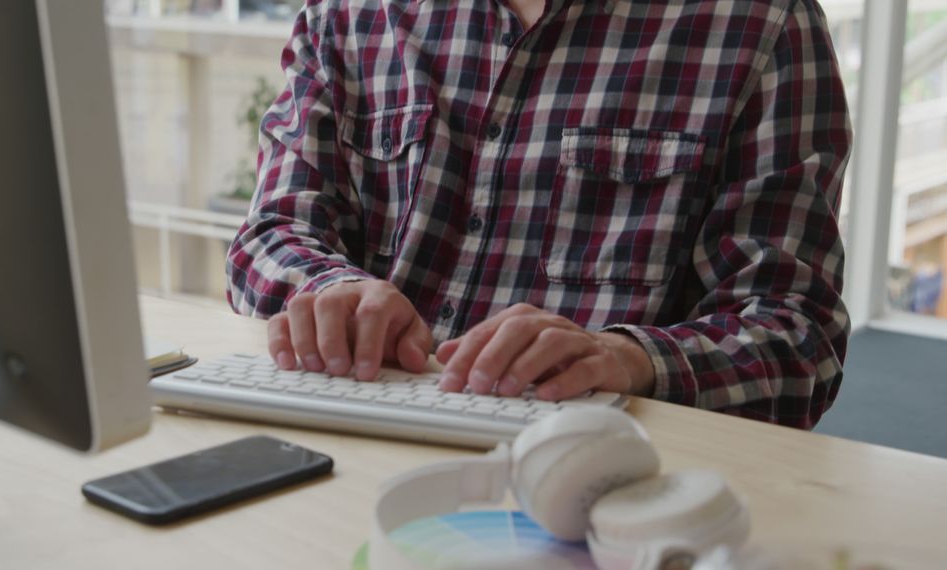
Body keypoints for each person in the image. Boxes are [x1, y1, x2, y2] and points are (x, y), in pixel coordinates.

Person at [227, 0, 852, 429]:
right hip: (354, 436)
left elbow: (799, 336)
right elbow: (273, 231)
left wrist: (629, 360)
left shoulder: (762, 23)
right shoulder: (348, 12)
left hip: (600, 482)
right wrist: (333, 291)